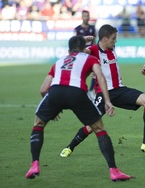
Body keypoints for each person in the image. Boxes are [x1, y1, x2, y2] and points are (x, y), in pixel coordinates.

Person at [25, 35, 131, 182]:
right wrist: (107, 100)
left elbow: (43, 89)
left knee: (38, 124)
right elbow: (100, 76)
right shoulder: (90, 58)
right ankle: (114, 171)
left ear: (69, 50)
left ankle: (34, 164)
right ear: (84, 48)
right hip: (76, 93)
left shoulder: (59, 61)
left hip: (55, 93)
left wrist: (53, 107)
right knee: (99, 129)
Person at [60, 24, 145, 158]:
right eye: (113, 38)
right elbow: (75, 52)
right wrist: (83, 39)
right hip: (103, 93)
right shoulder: (93, 50)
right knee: (91, 126)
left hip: (120, 90)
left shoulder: (112, 47)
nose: (116, 41)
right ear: (105, 38)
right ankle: (69, 147)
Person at [74, 10, 97, 100]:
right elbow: (75, 43)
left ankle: (91, 90)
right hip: (81, 54)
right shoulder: (77, 29)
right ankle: (81, 91)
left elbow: (94, 42)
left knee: (95, 72)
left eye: (87, 16)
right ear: (82, 17)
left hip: (91, 54)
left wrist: (96, 52)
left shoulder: (92, 28)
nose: (86, 18)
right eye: (84, 16)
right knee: (81, 74)